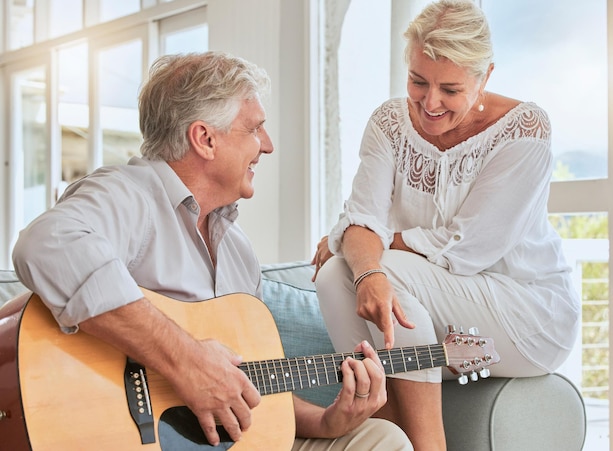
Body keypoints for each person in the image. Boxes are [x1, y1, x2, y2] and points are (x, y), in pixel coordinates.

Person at [12, 51, 412, 450]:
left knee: (381, 438)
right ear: (205, 139)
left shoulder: (237, 249)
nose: (268, 146)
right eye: (255, 128)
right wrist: (184, 359)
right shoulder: (129, 193)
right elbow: (46, 243)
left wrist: (327, 421)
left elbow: (250, 386)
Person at [311, 1, 580, 450]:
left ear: (485, 76)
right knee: (332, 274)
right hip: (436, 307)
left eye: (450, 89)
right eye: (418, 82)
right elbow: (362, 217)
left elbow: (468, 247)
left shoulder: (525, 130)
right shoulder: (389, 122)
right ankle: (385, 425)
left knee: (376, 265)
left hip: (529, 313)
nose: (430, 103)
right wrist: (361, 247)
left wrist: (365, 244)